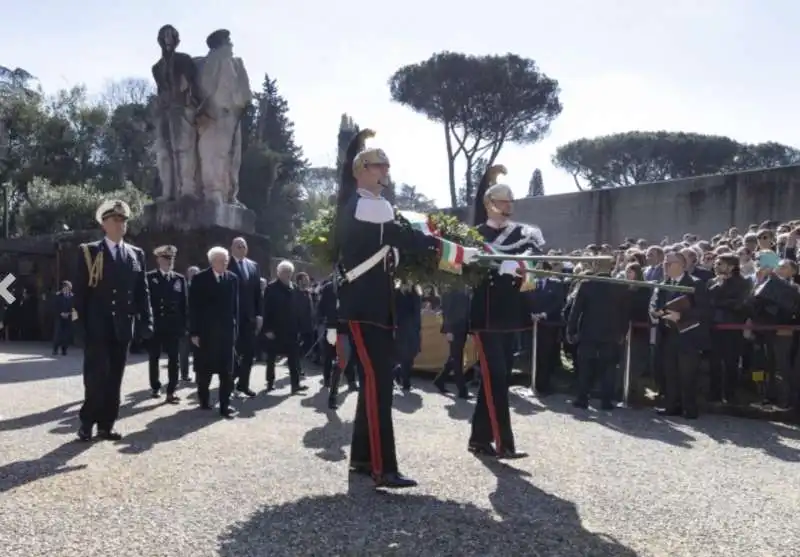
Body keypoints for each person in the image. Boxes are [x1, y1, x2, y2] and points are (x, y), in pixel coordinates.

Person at [331, 128, 479, 488]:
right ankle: (384, 468)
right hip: (367, 309)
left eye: (386, 165)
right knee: (379, 385)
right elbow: (410, 238)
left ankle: (364, 460)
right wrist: (457, 253)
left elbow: (402, 241)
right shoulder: (366, 206)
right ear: (362, 170)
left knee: (374, 384)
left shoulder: (369, 205)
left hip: (376, 310)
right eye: (379, 165)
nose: (386, 171)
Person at [468, 164, 541, 460]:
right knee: (496, 378)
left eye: (511, 202)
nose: (509, 207)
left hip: (512, 314)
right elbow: (464, 268)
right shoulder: (475, 235)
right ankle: (504, 444)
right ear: (489, 205)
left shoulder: (524, 233)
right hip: (486, 316)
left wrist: (523, 264)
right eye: (503, 201)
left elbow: (536, 259)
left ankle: (479, 439)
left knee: (496, 378)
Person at [73, 200, 153, 441]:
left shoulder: (136, 254)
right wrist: (79, 325)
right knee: (96, 376)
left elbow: (142, 290)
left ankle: (107, 424)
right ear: (104, 224)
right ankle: (87, 422)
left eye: (123, 221)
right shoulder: (89, 251)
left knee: (115, 377)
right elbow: (80, 292)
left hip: (122, 327)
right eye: (115, 220)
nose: (120, 225)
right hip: (97, 326)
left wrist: (146, 320)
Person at [566, 258, 631, 410]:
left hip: (589, 331)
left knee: (585, 366)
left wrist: (571, 330)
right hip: (611, 333)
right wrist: (623, 332)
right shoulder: (619, 286)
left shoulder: (587, 285)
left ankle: (582, 398)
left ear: (595, 266)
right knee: (608, 367)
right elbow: (625, 313)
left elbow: (576, 310)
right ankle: (606, 401)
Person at [189, 247, 239, 418]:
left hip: (226, 333)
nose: (224, 263)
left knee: (227, 371)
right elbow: (193, 307)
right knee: (205, 370)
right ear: (212, 262)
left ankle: (225, 405)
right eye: (220, 260)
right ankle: (203, 399)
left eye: (226, 260)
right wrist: (194, 332)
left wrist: (235, 329)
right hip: (206, 333)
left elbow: (235, 307)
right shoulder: (200, 279)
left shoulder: (232, 279)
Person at [145, 245, 188, 403]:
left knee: (173, 359)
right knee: (154, 357)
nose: (169, 262)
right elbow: (146, 303)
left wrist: (184, 325)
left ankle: (171, 390)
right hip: (156, 325)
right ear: (158, 260)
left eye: (171, 259)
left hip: (173, 326)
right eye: (165, 259)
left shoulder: (179, 279)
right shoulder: (150, 278)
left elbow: (184, 304)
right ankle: (155, 386)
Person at [262, 260, 306, 393]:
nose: (287, 274)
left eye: (289, 272)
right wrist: (267, 329)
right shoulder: (271, 288)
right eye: (284, 272)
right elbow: (266, 309)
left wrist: (300, 328)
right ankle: (270, 382)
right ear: (278, 273)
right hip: (275, 329)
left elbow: (299, 309)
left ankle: (295, 384)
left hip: (291, 329)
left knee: (294, 357)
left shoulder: (294, 288)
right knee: (272, 358)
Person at [228, 237, 263, 397]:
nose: (241, 248)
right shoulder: (226, 264)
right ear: (232, 248)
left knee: (249, 353)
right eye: (238, 246)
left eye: (243, 246)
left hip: (249, 318)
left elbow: (257, 294)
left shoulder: (253, 266)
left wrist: (259, 314)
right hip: (232, 317)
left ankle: (243, 384)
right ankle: (229, 383)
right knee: (232, 354)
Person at [179, 265, 200, 381]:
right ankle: (184, 374)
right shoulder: (183, 287)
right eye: (191, 272)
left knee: (199, 352)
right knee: (184, 352)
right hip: (185, 325)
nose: (194, 274)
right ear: (187, 274)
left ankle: (199, 375)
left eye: (196, 272)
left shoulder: (203, 288)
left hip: (199, 326)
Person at [52, 280, 75, 356]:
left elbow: (73, 307)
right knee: (58, 334)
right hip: (59, 316)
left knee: (66, 334)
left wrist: (69, 313)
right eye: (64, 287)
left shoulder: (72, 296)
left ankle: (64, 349)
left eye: (67, 288)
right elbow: (55, 306)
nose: (66, 289)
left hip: (68, 317)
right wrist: (60, 313)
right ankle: (55, 349)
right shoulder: (58, 296)